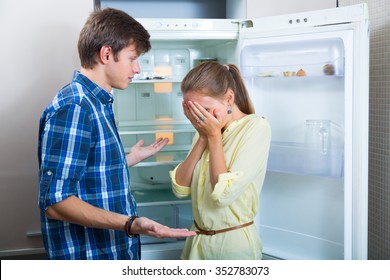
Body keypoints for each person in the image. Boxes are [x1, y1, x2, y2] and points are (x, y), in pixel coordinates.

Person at [37, 8, 196, 260]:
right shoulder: (75, 107)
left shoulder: (98, 102)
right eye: (133, 59)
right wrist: (130, 223)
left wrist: (127, 159)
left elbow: (87, 172)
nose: (137, 69)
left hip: (113, 252)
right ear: (106, 54)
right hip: (89, 256)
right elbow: (56, 204)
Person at [169, 61, 271, 260]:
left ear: (228, 99)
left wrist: (213, 137)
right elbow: (180, 188)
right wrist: (203, 137)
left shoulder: (256, 128)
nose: (201, 118)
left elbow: (223, 194)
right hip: (196, 244)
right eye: (194, 111)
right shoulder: (205, 131)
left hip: (233, 248)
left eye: (206, 109)